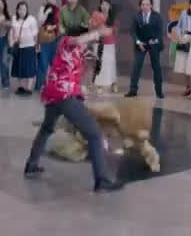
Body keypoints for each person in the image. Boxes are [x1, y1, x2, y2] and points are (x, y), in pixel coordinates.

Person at [24, 24, 126, 193]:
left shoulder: (77, 52)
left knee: (46, 129)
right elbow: (76, 40)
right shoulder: (66, 42)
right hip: (64, 96)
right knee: (94, 134)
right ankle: (102, 180)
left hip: (54, 95)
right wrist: (98, 33)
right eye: (86, 39)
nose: (87, 44)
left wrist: (89, 65)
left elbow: (77, 76)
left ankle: (31, 165)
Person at [125, 0, 165, 98]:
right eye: (143, 4)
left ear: (151, 5)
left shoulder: (157, 16)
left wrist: (154, 41)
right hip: (141, 44)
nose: (145, 6)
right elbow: (133, 31)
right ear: (140, 6)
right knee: (136, 66)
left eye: (147, 4)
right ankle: (133, 90)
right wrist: (138, 42)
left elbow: (159, 32)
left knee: (156, 67)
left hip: (153, 43)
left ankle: (159, 91)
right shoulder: (136, 16)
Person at [10, 1, 39, 96]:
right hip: (18, 47)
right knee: (19, 68)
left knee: (29, 68)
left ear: (27, 10)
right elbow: (12, 31)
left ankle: (29, 88)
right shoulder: (14, 18)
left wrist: (37, 46)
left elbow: (35, 34)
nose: (22, 11)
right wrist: (11, 43)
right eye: (20, 9)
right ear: (17, 10)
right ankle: (21, 87)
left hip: (29, 47)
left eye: (24, 9)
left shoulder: (31, 19)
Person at [92, 0, 119, 94]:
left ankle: (113, 83)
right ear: (100, 5)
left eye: (106, 5)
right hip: (98, 43)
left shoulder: (113, 16)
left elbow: (115, 30)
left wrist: (111, 32)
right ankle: (99, 85)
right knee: (100, 64)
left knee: (111, 64)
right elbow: (92, 26)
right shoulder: (96, 14)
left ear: (110, 6)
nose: (104, 6)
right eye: (102, 4)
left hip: (110, 43)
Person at [35, 0, 60, 91]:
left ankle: (54, 85)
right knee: (43, 62)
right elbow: (40, 22)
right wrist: (46, 12)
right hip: (44, 38)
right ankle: (40, 85)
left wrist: (54, 27)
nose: (51, 0)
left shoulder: (58, 10)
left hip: (55, 39)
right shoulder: (42, 8)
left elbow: (61, 23)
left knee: (54, 63)